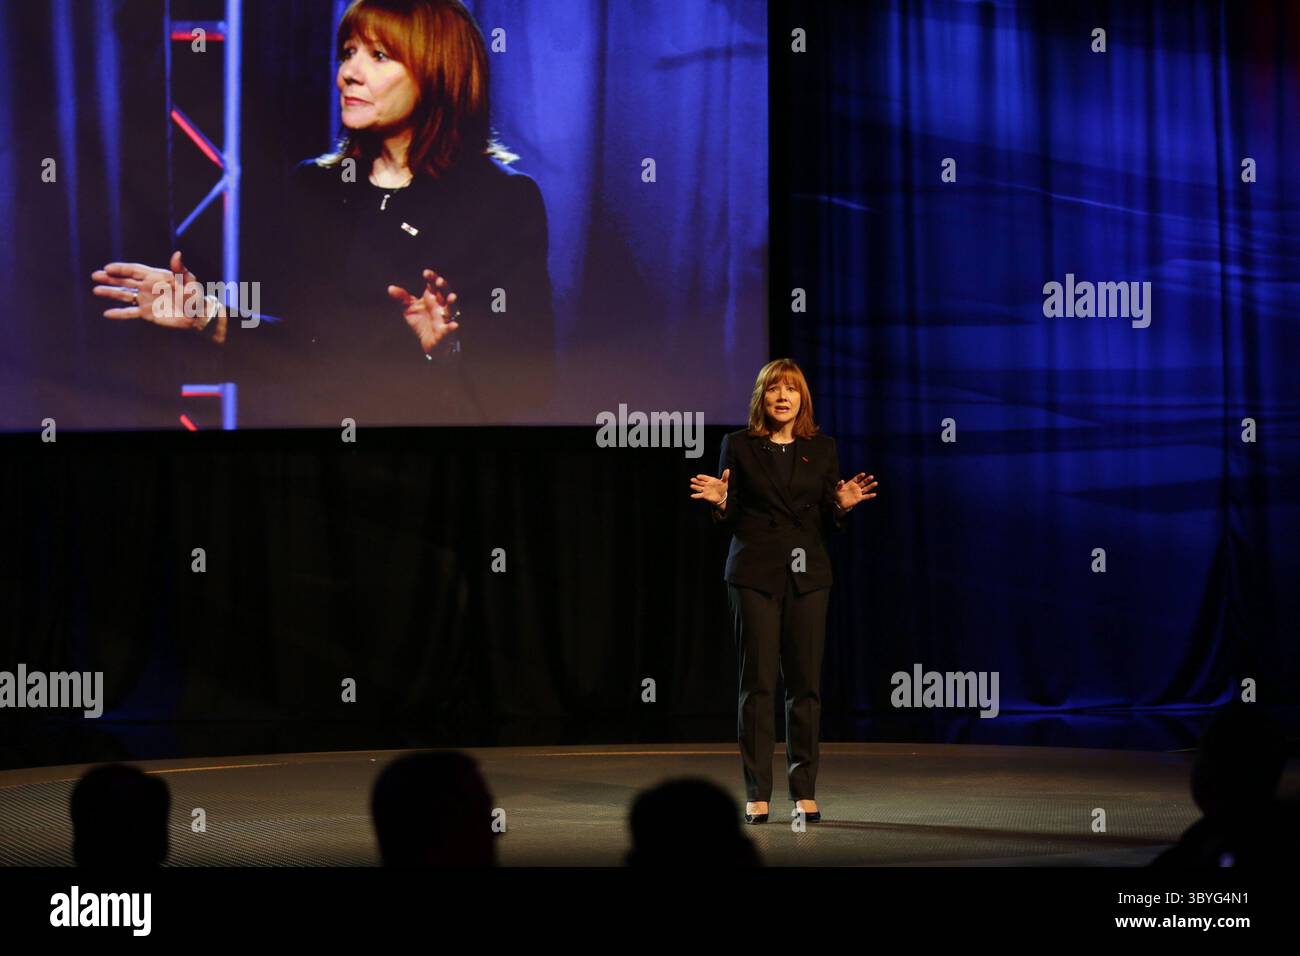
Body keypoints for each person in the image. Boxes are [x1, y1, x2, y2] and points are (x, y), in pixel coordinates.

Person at [90, 0, 555, 426]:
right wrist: (207, 317)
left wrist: (445, 351)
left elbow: (529, 383)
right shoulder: (315, 186)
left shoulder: (500, 201)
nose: (348, 73)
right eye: (348, 51)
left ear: (439, 72)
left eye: (378, 56)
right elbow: (301, 349)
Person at [690, 358, 877, 825]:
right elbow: (730, 519)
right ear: (762, 397)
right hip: (754, 573)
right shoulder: (737, 445)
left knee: (805, 686)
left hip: (808, 576)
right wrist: (720, 503)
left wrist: (841, 506)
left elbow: (824, 523)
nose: (782, 396)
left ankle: (804, 790)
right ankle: (757, 792)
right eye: (774, 388)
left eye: (791, 389)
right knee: (757, 685)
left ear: (802, 399)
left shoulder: (823, 448)